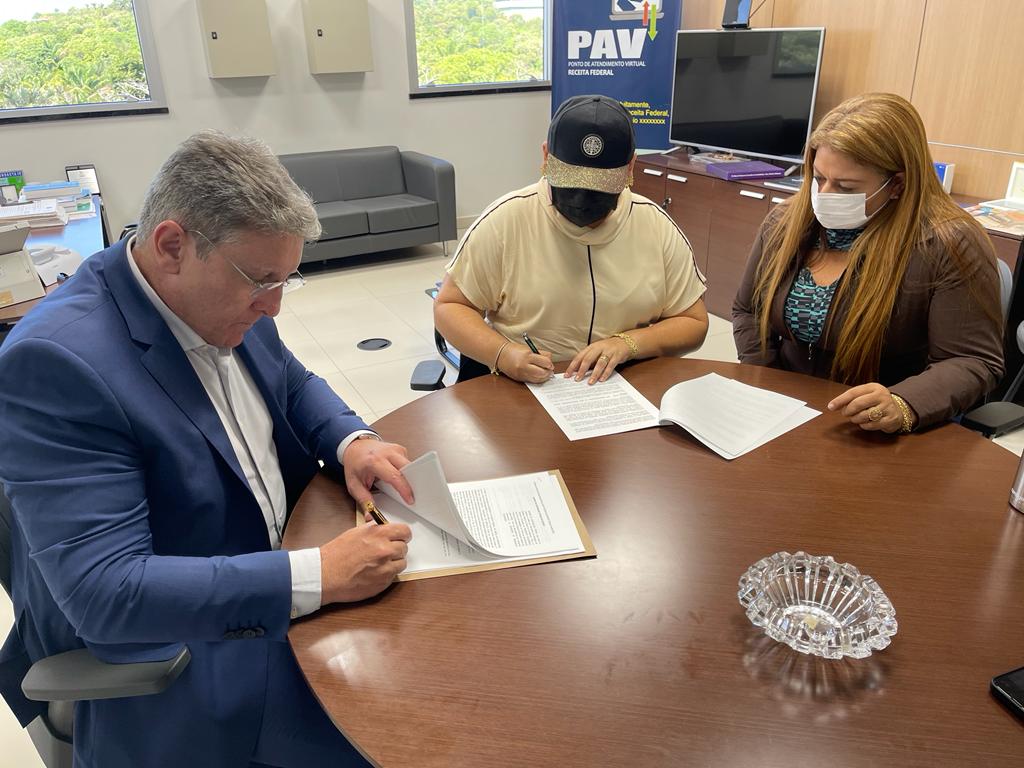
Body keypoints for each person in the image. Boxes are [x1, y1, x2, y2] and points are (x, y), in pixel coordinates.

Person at [0, 132, 416, 768]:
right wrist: (318, 575)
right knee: (409, 734)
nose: (274, 306)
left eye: (287, 279)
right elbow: (106, 593)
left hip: (285, 566)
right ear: (172, 246)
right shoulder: (57, 363)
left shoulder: (218, 301)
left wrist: (351, 439)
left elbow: (290, 381)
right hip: (195, 649)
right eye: (261, 281)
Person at [732, 93, 1004, 433]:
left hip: (878, 430)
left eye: (845, 187)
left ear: (897, 184)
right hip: (785, 411)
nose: (824, 196)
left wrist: (902, 403)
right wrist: (767, 381)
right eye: (818, 179)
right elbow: (748, 310)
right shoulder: (786, 222)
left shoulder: (948, 243)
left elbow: (972, 360)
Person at [434, 94, 709, 385]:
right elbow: (450, 306)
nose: (581, 200)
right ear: (545, 157)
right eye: (569, 182)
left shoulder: (656, 227)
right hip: (523, 385)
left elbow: (693, 322)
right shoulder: (505, 221)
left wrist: (628, 343)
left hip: (623, 386)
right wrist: (504, 353)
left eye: (600, 187)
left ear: (630, 168)